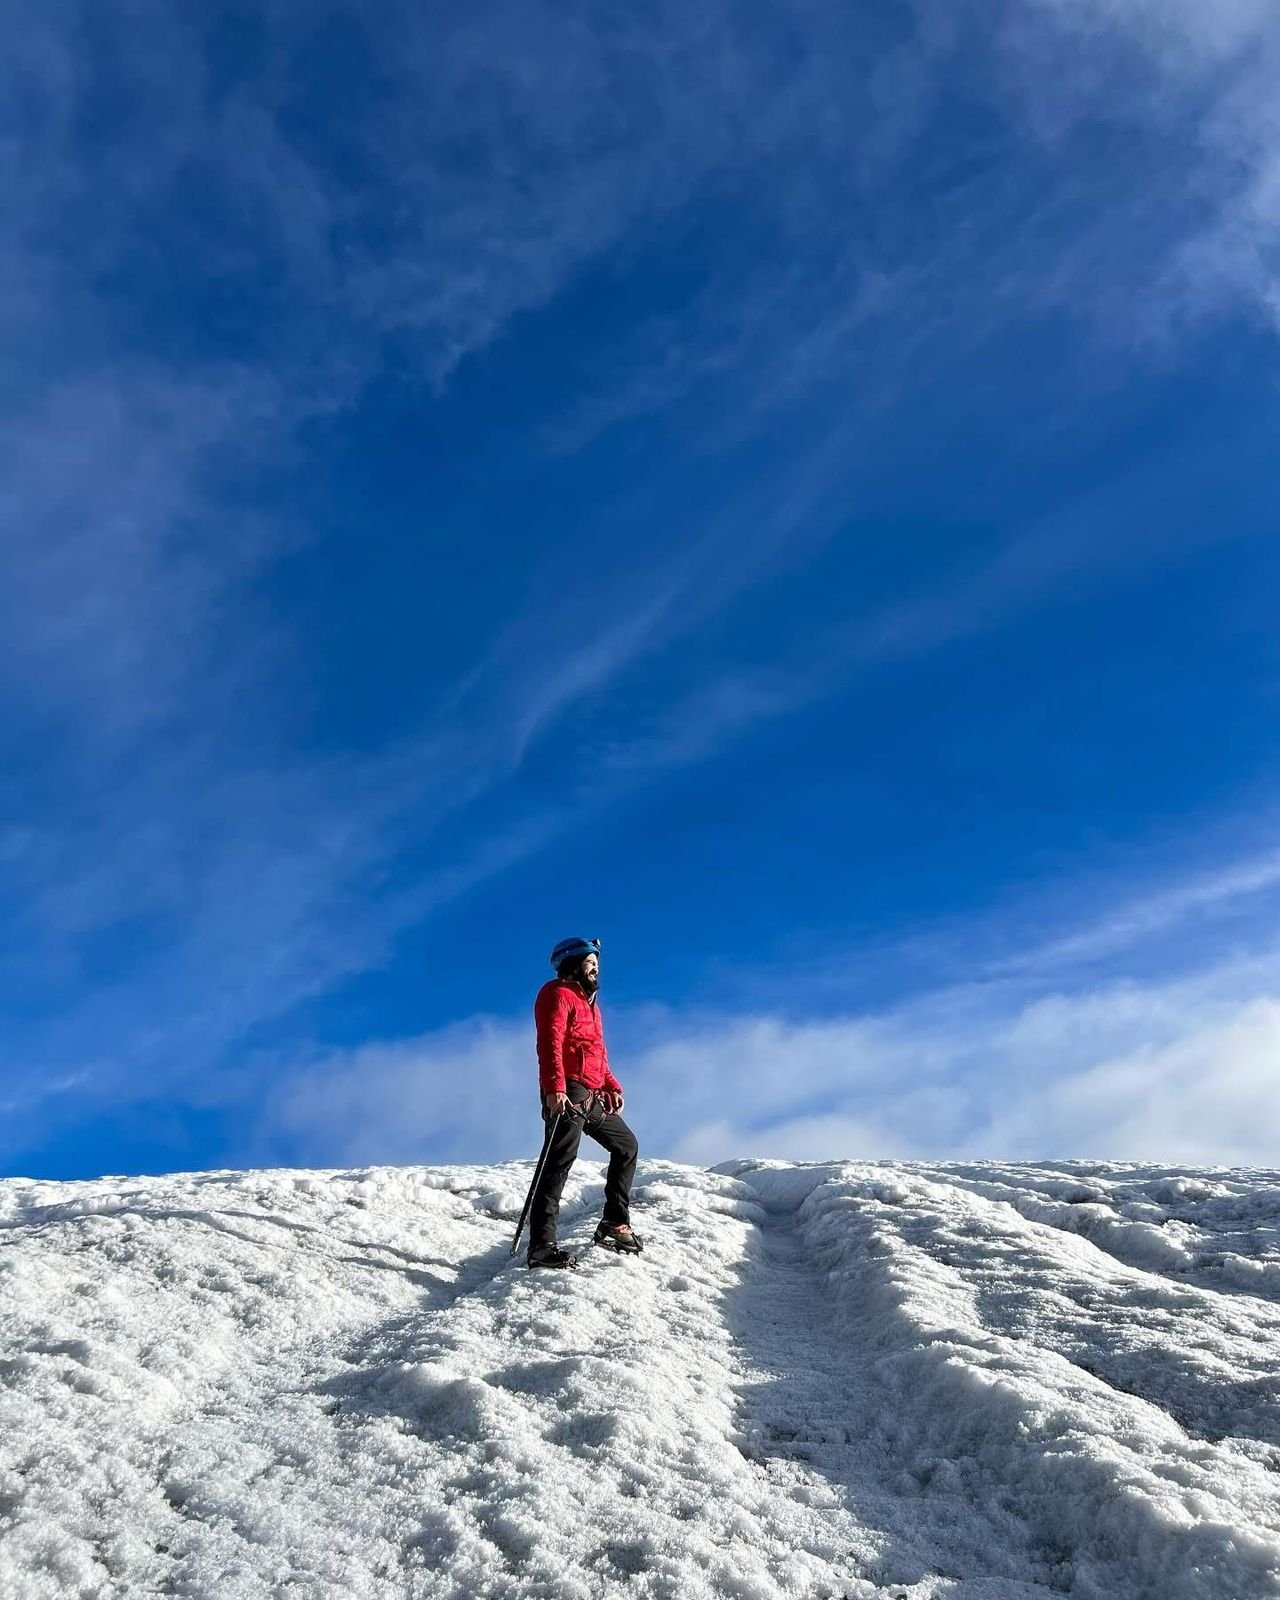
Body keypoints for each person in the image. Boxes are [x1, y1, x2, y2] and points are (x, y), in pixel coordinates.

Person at [526, 936, 641, 1269]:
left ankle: (613, 1224)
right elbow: (550, 1044)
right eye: (590, 964)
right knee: (560, 1160)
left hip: (592, 1094)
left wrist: (611, 1084)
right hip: (569, 1091)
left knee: (627, 1146)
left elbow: (597, 1052)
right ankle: (541, 1246)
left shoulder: (592, 1006)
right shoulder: (557, 994)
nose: (596, 970)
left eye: (597, 965)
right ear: (572, 964)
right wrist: (555, 1089)